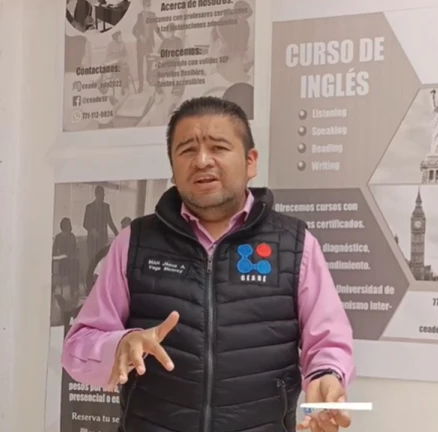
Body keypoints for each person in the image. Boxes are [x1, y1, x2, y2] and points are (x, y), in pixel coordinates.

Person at [62, 96, 355, 432]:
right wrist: (119, 347)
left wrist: (326, 376)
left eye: (218, 147)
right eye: (187, 150)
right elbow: (78, 347)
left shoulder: (294, 243)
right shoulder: (135, 242)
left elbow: (327, 339)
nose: (202, 161)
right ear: (173, 168)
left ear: (250, 161)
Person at [83, 185, 119, 258]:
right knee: (92, 261)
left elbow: (110, 222)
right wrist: (92, 230)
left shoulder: (106, 207)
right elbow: (85, 223)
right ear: (96, 194)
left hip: (102, 240)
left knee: (102, 260)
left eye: (103, 195)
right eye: (101, 195)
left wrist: (118, 234)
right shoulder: (89, 207)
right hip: (92, 241)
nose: (103, 197)